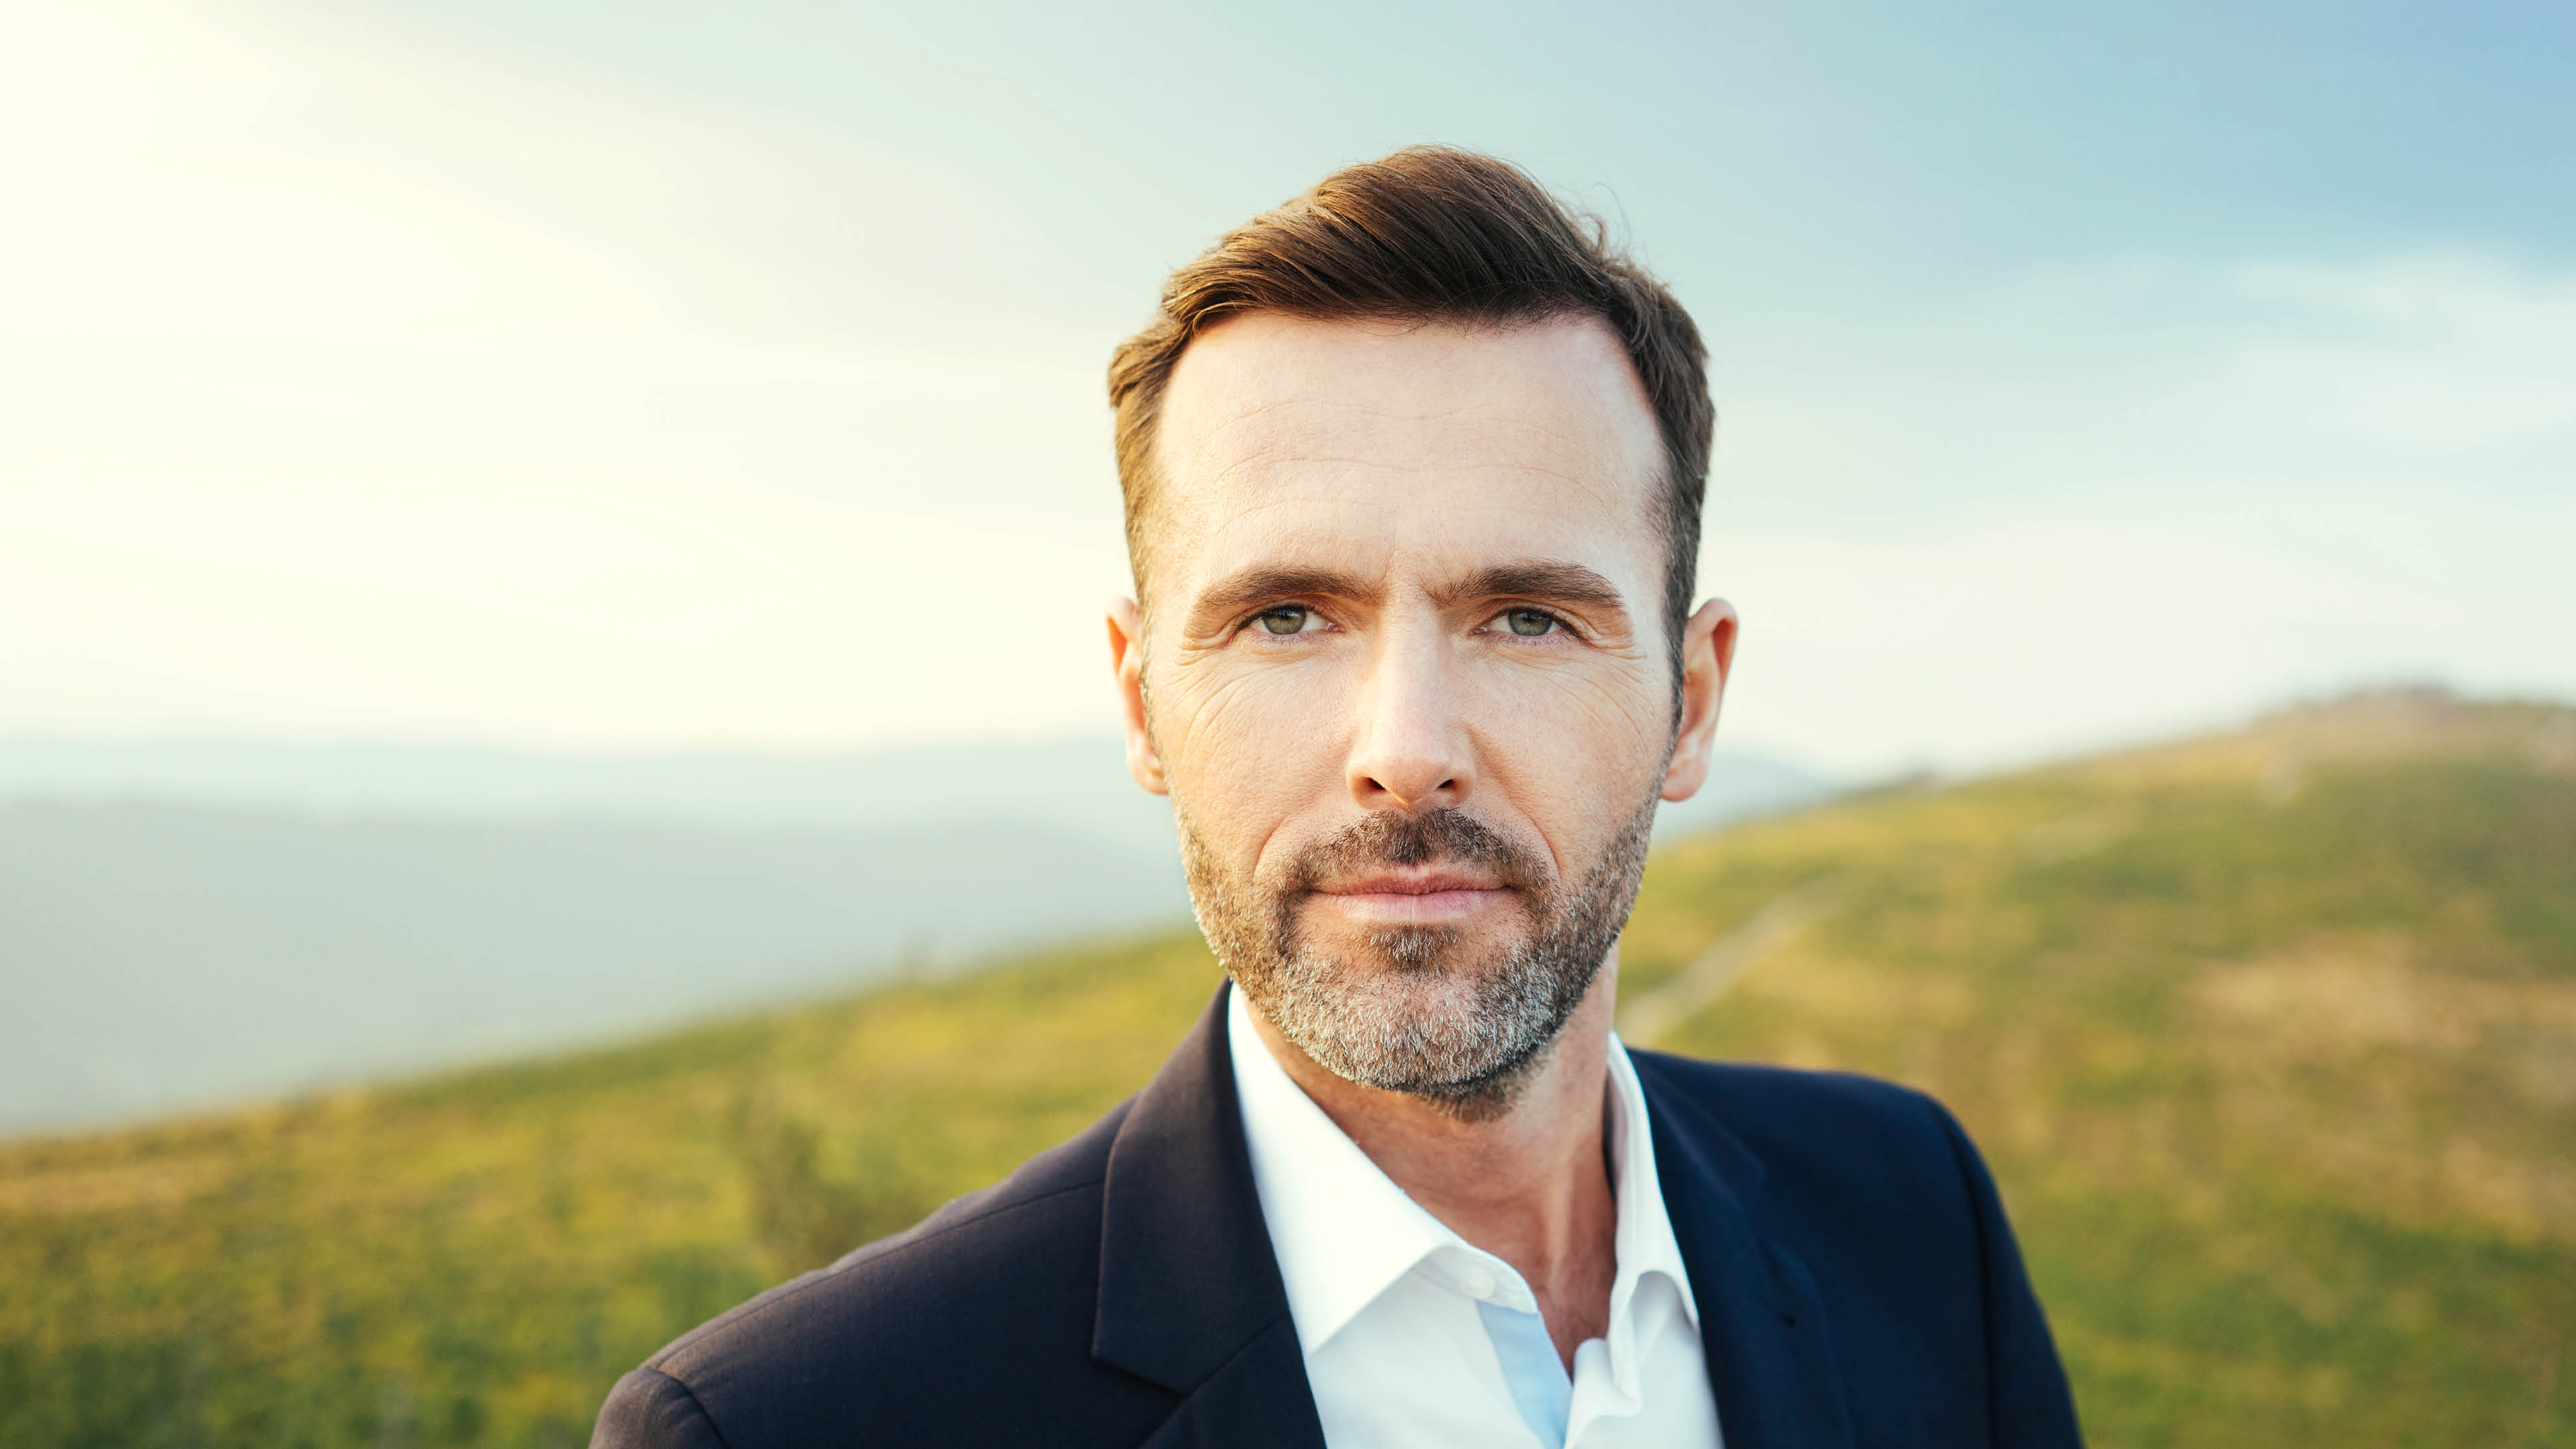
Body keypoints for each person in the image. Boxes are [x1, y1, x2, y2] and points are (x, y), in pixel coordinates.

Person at [592, 146, 2083, 1449]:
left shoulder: (1912, 1217)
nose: (1405, 748)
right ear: (1143, 704)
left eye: (1526, 618)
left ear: (1689, 704)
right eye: (1287, 618)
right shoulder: (796, 1426)